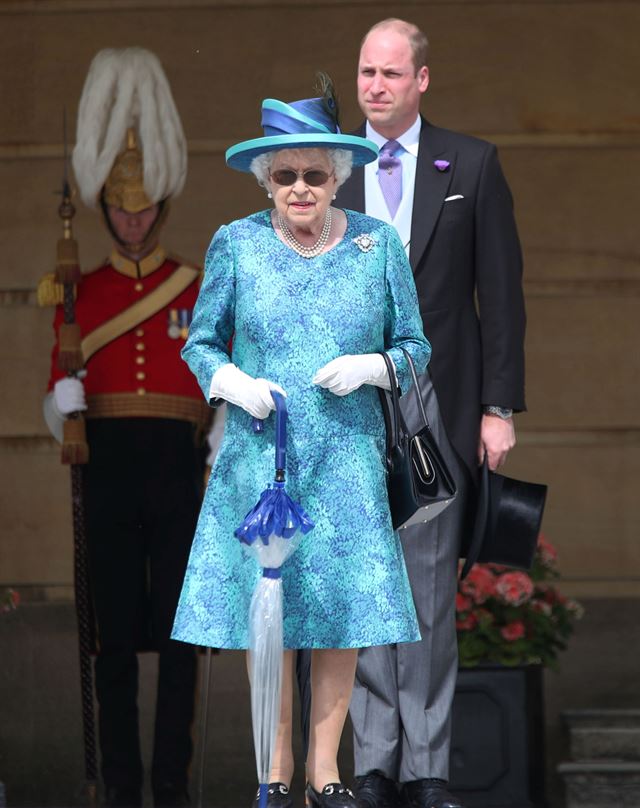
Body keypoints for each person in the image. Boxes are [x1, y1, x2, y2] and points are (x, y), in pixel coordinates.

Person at [170, 77, 431, 808]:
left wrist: (375, 366)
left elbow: (416, 347)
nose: (300, 187)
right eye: (284, 175)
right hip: (263, 459)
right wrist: (229, 382)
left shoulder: (378, 246)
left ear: (338, 177)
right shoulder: (236, 243)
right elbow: (200, 344)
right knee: (273, 618)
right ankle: (275, 770)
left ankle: (326, 769)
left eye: (315, 174)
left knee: (339, 619)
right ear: (266, 181)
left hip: (347, 458)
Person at [333, 18, 527, 808]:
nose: (374, 86)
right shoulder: (330, 166)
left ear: (421, 80)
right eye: (365, 72)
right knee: (365, 587)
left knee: (424, 596)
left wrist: (498, 407)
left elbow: (502, 298)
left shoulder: (472, 164)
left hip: (436, 412)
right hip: (351, 409)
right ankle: (375, 760)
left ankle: (428, 768)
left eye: (389, 73)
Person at [41, 48, 211, 808]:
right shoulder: (79, 289)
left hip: (178, 464)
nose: (133, 219)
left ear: (160, 209)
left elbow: (218, 375)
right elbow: (59, 378)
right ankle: (120, 786)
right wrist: (64, 400)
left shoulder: (195, 284)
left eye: (143, 209)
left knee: (181, 638)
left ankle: (170, 784)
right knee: (111, 639)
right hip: (106, 462)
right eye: (121, 208)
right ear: (105, 208)